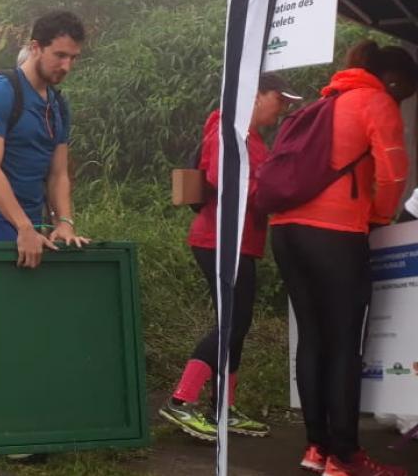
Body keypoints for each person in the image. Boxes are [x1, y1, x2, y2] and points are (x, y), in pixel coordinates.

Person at [271, 41, 416, 476]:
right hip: (335, 236)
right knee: (344, 347)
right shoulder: (375, 101)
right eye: (405, 92)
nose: (402, 100)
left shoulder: (322, 103)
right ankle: (347, 457)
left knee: (313, 338)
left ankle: (316, 449)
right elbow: (392, 173)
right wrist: (376, 218)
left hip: (286, 232)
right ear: (393, 80)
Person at [159, 73, 300, 442]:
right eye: (279, 99)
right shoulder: (227, 128)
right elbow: (223, 177)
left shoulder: (252, 138)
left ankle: (222, 408)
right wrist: (268, 194)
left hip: (241, 243)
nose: (283, 108)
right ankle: (181, 400)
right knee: (231, 324)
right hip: (218, 240)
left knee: (238, 323)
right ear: (255, 95)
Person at [0, 10, 89, 266]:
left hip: (33, 217)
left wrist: (64, 222)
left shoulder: (58, 104)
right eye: (60, 55)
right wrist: (23, 227)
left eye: (73, 58)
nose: (67, 66)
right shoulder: (1, 92)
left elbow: (58, 173)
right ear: (35, 48)